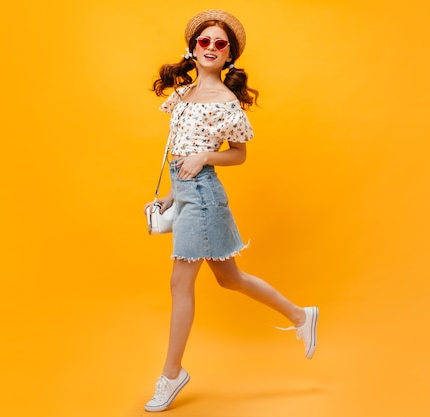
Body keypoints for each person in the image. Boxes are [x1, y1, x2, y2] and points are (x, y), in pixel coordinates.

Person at [142, 9, 319, 413]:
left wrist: (207, 155)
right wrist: (171, 193)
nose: (210, 48)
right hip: (186, 192)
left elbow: (238, 155)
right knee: (230, 279)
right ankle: (300, 315)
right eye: (204, 41)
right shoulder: (182, 95)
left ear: (229, 56)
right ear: (192, 46)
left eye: (220, 44)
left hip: (205, 197)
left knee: (179, 284)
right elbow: (179, 155)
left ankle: (171, 375)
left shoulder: (227, 103)